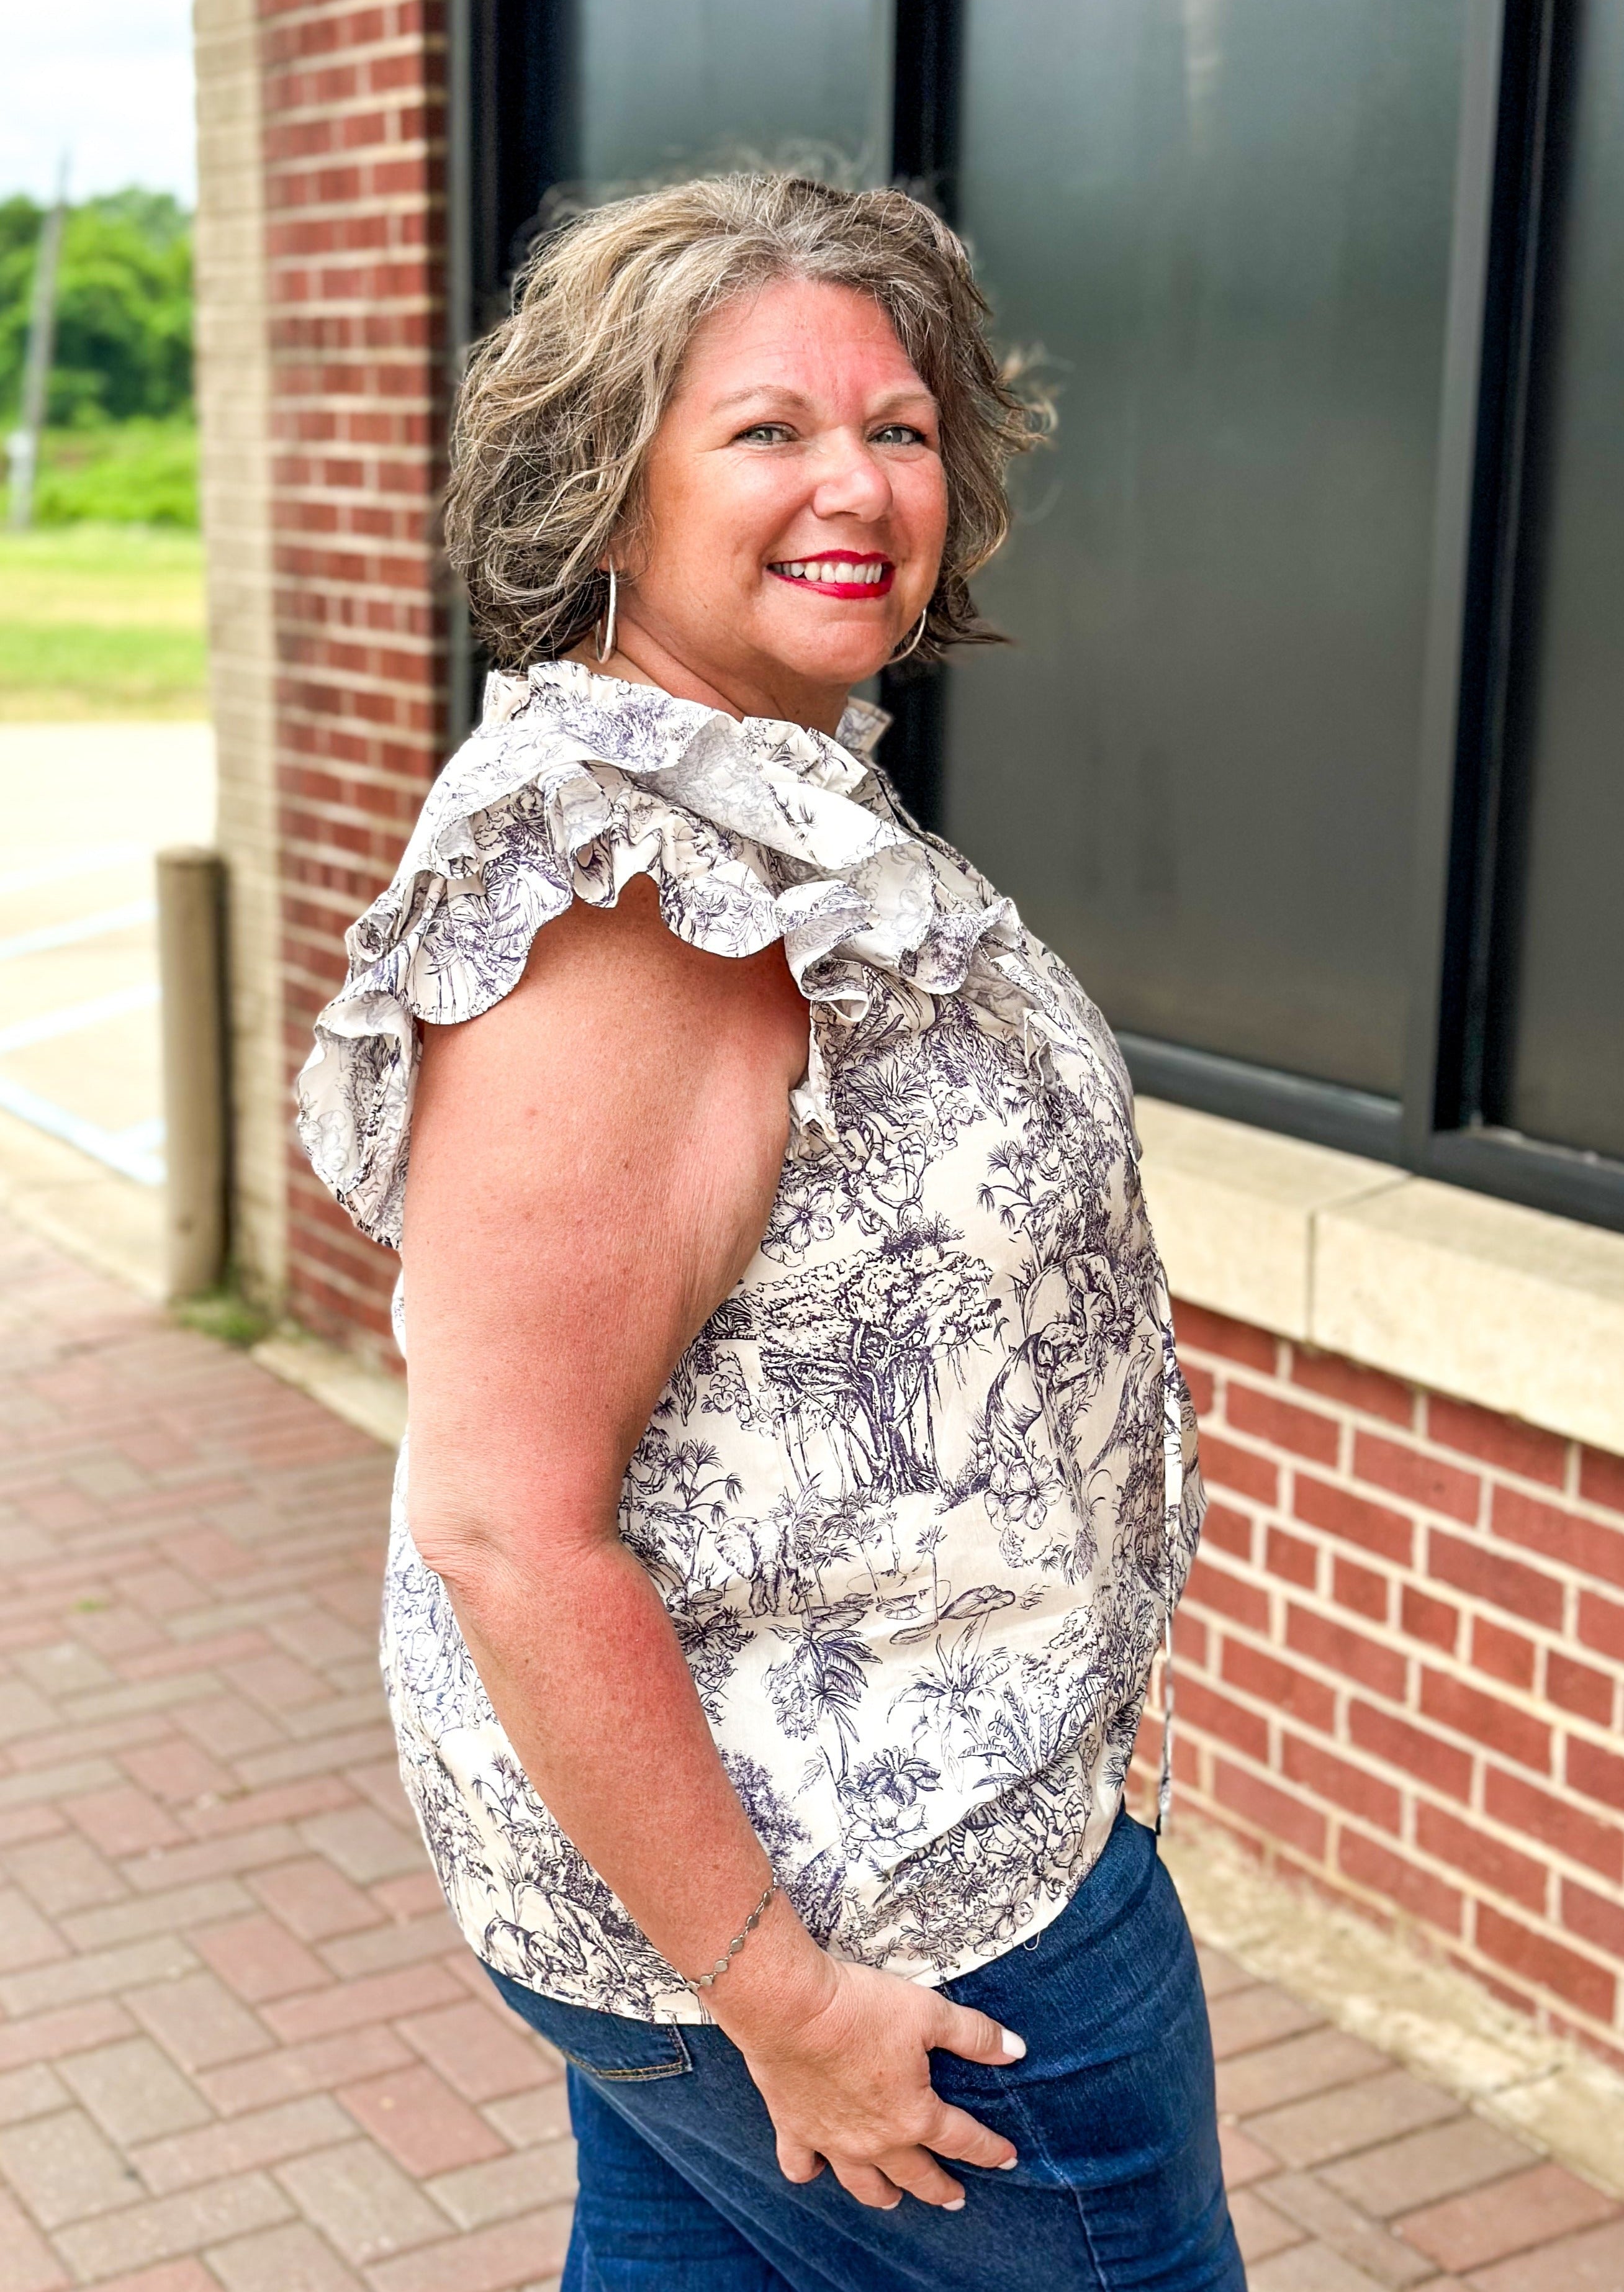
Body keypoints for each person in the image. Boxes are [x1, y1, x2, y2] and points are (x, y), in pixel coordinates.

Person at [298, 173, 1242, 2291]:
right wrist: (787, 2000)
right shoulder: (637, 902)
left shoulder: (743, 792)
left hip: (738, 1878)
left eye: (898, 428)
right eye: (766, 432)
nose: (860, 486)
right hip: (894, 1933)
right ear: (609, 497)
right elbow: (506, 1525)